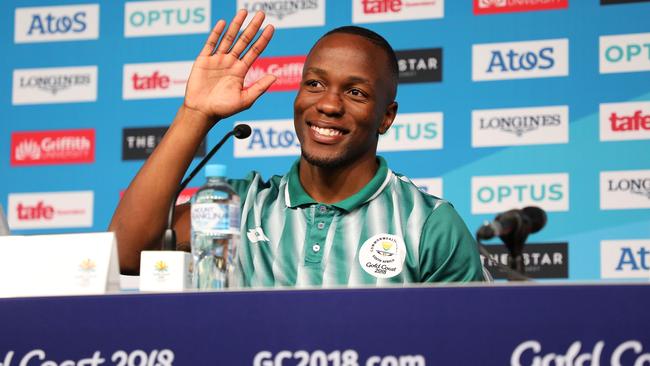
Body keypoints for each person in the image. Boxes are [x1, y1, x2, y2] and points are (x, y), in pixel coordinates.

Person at [110, 10, 484, 286]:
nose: (329, 105)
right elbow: (126, 256)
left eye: (356, 92)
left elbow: (470, 341)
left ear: (386, 117)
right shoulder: (236, 208)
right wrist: (195, 114)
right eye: (315, 84)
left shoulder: (428, 225)